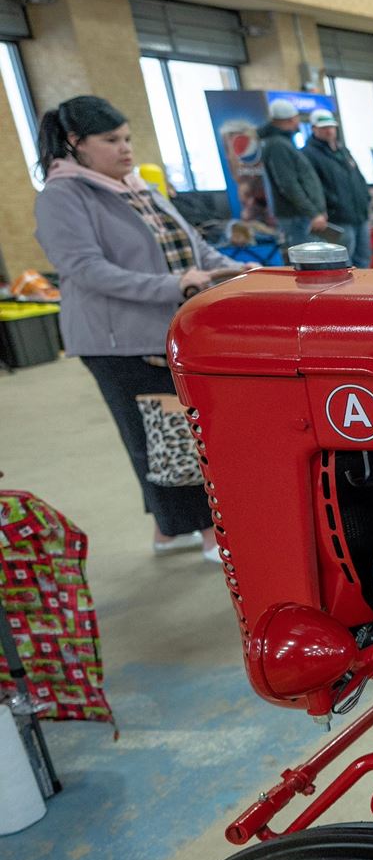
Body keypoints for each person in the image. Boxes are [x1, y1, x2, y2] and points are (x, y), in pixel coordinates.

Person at [31, 95, 244, 561]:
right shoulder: (62, 196)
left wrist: (238, 272)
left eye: (127, 138)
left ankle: (167, 533)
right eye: (111, 140)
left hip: (168, 330)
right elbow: (87, 269)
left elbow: (194, 248)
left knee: (167, 430)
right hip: (118, 341)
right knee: (165, 435)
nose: (126, 148)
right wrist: (173, 285)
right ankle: (207, 534)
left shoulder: (137, 187)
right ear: (76, 142)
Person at [303, 109, 373, 269]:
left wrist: (366, 198)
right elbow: (312, 187)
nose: (329, 131)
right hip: (337, 217)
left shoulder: (343, 151)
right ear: (313, 129)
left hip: (359, 214)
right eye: (324, 128)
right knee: (342, 262)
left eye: (331, 127)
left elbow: (358, 177)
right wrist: (327, 207)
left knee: (363, 259)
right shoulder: (308, 155)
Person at [259, 98, 326, 249]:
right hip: (296, 216)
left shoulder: (283, 142)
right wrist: (313, 212)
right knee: (309, 258)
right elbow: (288, 184)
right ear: (290, 119)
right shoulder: (278, 145)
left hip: (300, 215)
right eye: (297, 118)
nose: (298, 122)